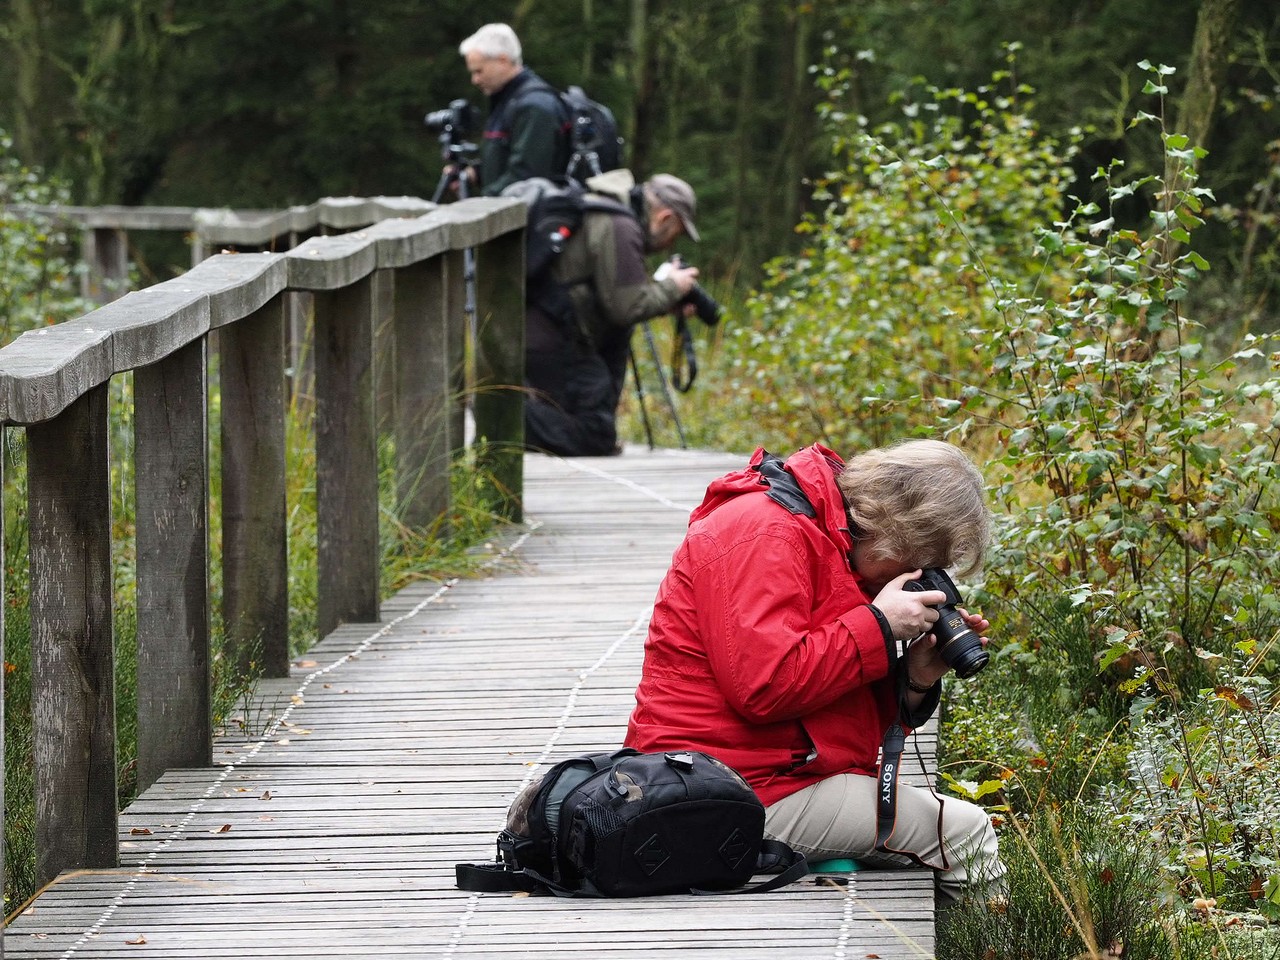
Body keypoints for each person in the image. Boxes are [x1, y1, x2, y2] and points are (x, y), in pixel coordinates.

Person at [624, 439, 1006, 903]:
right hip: (717, 789)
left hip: (768, 774)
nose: (918, 577)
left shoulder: (827, 536)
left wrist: (917, 677)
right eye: (917, 562)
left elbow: (829, 702)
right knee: (965, 835)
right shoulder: (764, 533)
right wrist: (879, 625)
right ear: (894, 535)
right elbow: (766, 687)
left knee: (924, 829)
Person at [523, 169, 701, 457]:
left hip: (547, 334)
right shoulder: (621, 225)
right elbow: (626, 308)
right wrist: (673, 287)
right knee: (595, 433)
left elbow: (612, 298)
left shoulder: (608, 214)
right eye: (676, 232)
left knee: (595, 416)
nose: (671, 242)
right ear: (664, 217)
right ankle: (505, 417)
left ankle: (514, 412)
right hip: (552, 340)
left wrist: (666, 299)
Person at [457, 23, 568, 196]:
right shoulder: (507, 101)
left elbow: (525, 178)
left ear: (503, 61)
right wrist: (476, 174)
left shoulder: (534, 107)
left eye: (479, 71)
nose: (475, 80)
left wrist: (482, 206)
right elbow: (507, 160)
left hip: (533, 219)